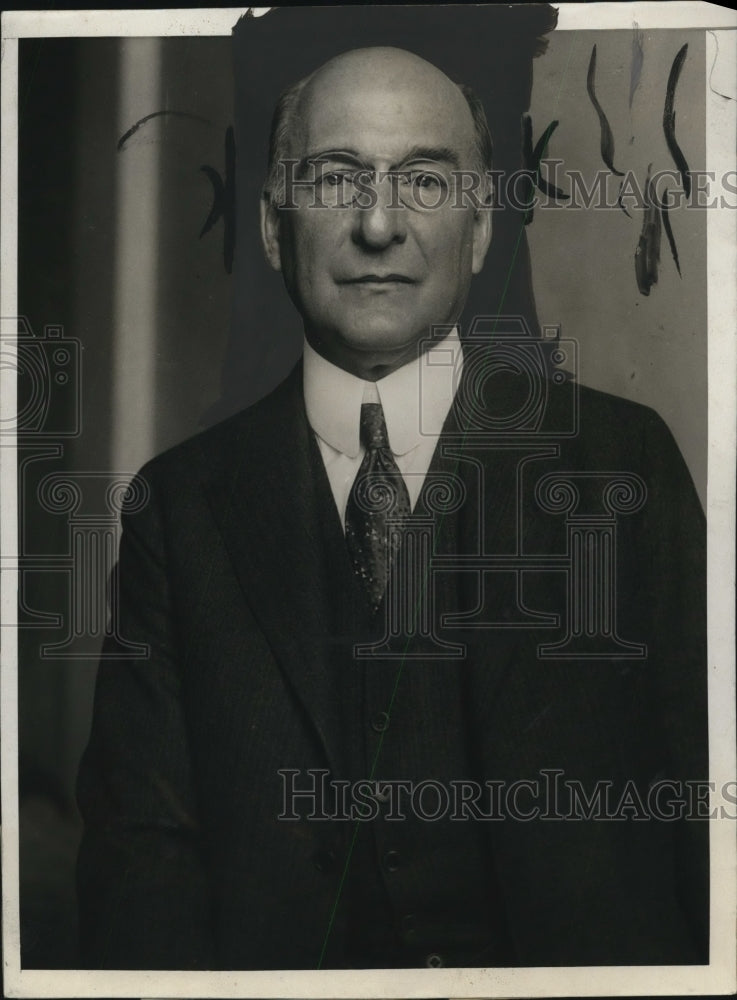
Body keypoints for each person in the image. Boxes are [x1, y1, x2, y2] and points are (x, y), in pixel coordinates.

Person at [76, 46, 708, 971]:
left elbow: (709, 831)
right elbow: (142, 878)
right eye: (336, 180)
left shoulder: (622, 464)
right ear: (270, 226)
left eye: (422, 179)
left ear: (481, 228)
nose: (378, 224)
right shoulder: (176, 511)